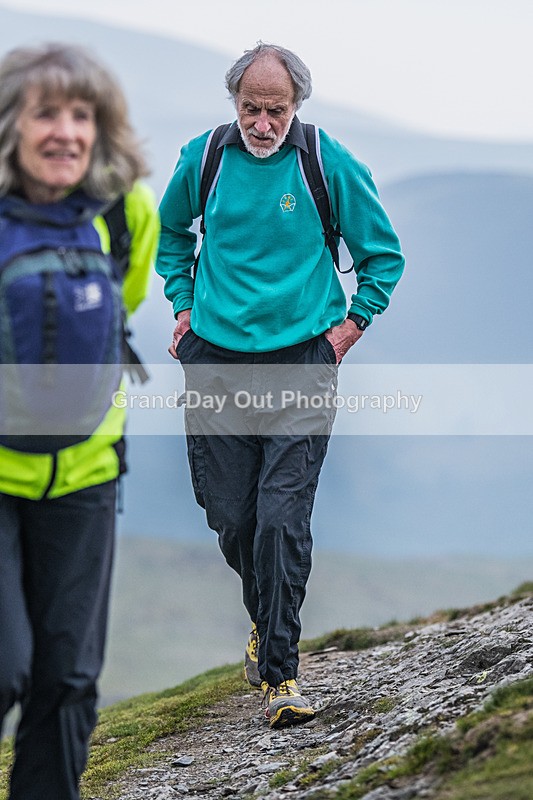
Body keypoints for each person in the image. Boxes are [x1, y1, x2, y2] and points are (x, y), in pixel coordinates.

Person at [156, 42, 405, 728]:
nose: (262, 123)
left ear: (296, 106)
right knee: (232, 518)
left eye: (275, 110)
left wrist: (345, 333)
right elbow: (170, 234)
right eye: (250, 109)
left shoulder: (326, 161)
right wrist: (181, 303)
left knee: (280, 519)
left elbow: (382, 255)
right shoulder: (203, 158)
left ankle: (281, 674)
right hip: (214, 361)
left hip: (301, 362)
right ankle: (265, 626)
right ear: (233, 102)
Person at [0, 43, 159, 799]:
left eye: (81, 114)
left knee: (67, 680)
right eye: (45, 114)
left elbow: (119, 307)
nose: (65, 132)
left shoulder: (126, 210)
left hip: (87, 473)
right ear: (11, 126)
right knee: (4, 669)